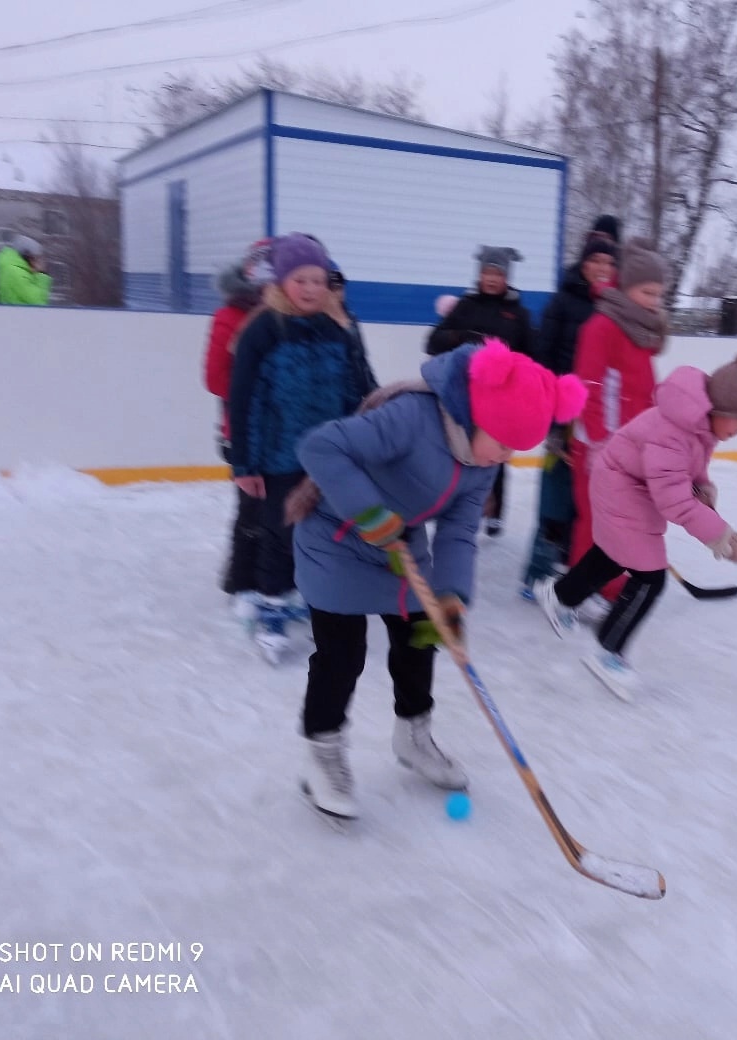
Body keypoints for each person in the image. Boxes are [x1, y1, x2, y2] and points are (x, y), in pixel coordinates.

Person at [289, 338, 586, 818]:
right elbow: (322, 447)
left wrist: (451, 595)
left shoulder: (482, 459)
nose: (505, 456)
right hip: (336, 536)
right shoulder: (412, 418)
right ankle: (323, 755)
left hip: (399, 548)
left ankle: (413, 736)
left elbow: (460, 529)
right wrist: (368, 512)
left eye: (516, 448)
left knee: (420, 637)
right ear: (477, 415)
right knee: (342, 654)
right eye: (504, 441)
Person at [534, 354, 737, 700]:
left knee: (614, 556)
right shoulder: (675, 431)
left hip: (633, 485)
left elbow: (690, 469)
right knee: (650, 577)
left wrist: (702, 487)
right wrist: (719, 535)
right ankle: (609, 653)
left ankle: (558, 595)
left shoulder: (701, 426)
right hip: (620, 487)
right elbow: (673, 500)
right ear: (719, 408)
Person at [227, 233, 380, 662]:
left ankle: (314, 604)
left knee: (325, 536)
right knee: (280, 534)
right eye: (301, 280)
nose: (311, 289)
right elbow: (244, 401)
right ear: (281, 282)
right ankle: (271, 609)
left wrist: (365, 440)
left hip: (329, 456)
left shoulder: (339, 327)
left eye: (318, 280)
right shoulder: (264, 328)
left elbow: (358, 390)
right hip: (278, 455)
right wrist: (245, 463)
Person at [566, 237, 670, 606]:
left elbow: (647, 392)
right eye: (647, 292)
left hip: (631, 446)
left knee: (622, 522)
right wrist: (597, 441)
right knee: (597, 519)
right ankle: (584, 589)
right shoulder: (602, 326)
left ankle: (607, 583)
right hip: (600, 444)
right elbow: (588, 387)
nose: (654, 301)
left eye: (659, 294)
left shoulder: (640, 330)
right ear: (626, 287)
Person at [521, 225, 620, 596]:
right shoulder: (562, 302)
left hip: (597, 419)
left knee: (588, 502)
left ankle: (574, 574)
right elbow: (542, 359)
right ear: (583, 262)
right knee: (555, 495)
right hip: (562, 414)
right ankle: (537, 571)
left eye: (609, 261)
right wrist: (550, 418)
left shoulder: (615, 307)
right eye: (595, 259)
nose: (602, 266)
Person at [426, 245, 536, 536]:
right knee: (456, 453)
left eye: (497, 272)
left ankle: (494, 511)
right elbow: (432, 343)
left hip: (500, 397)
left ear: (506, 277)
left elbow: (532, 357)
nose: (491, 277)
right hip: (462, 394)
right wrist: (460, 336)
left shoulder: (519, 314)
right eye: (487, 271)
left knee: (494, 457)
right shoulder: (465, 306)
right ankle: (451, 506)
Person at [203, 239, 273, 622]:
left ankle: (279, 582)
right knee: (252, 508)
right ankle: (242, 582)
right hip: (245, 429)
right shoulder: (229, 316)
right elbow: (215, 378)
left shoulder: (295, 315)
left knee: (287, 512)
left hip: (287, 429)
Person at [0, 235, 52, 306]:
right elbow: (37, 302)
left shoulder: (12, 269)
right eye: (36, 258)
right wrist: (42, 276)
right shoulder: (15, 272)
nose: (39, 262)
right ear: (28, 257)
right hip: (19, 316)